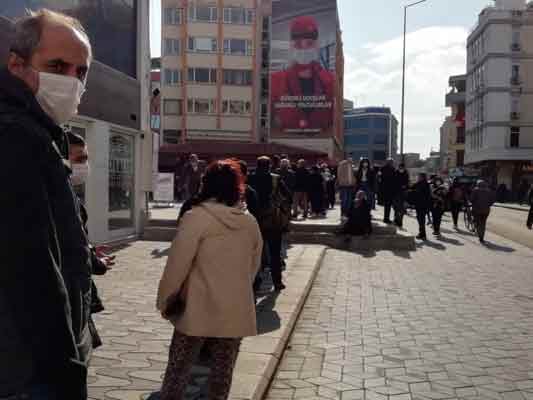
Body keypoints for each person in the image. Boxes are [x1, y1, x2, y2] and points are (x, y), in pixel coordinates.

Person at [0, 9, 94, 399]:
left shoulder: (42, 131)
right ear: (17, 65)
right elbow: (31, 264)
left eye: (80, 71)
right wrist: (64, 365)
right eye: (56, 66)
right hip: (29, 367)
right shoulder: (14, 134)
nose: (70, 81)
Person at [157, 160, 263, 400]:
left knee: (178, 371)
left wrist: (166, 300)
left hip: (196, 305)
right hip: (235, 307)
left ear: (206, 184)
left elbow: (177, 265)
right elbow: (254, 265)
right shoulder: (249, 221)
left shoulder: (196, 217)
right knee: (222, 376)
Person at [67, 131, 115, 349]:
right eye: (79, 159)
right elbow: (70, 246)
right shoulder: (60, 196)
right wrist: (96, 262)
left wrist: (91, 249)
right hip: (66, 295)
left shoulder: (68, 192)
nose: (84, 165)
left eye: (86, 159)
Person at [271, 16, 335, 134]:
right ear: (290, 46)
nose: (304, 48)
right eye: (298, 44)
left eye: (309, 43)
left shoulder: (331, 81)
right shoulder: (275, 81)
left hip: (321, 148)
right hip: (285, 148)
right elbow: (269, 124)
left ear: (317, 45)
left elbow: (334, 123)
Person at [249, 156, 291, 291]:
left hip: (254, 221)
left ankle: (255, 283)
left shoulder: (250, 178)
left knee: (255, 254)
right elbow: (288, 195)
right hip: (272, 220)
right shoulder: (275, 178)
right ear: (269, 166)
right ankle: (277, 282)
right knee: (274, 252)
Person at [411, 173, 432, 240]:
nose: (418, 177)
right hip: (419, 205)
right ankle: (422, 234)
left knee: (421, 219)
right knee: (420, 219)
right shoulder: (419, 184)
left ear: (422, 177)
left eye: (419, 177)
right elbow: (411, 187)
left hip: (422, 205)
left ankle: (422, 234)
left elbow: (427, 195)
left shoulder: (425, 185)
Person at [380, 158, 398, 223]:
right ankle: (386, 218)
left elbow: (380, 179)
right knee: (389, 205)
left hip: (385, 190)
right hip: (390, 190)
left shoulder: (382, 169)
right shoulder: (393, 169)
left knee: (387, 206)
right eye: (391, 162)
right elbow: (395, 180)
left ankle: (386, 218)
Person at [393, 163, 409, 228]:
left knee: (401, 208)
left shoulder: (406, 173)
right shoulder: (396, 172)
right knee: (396, 208)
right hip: (396, 192)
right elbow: (393, 182)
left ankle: (400, 221)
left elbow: (407, 182)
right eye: (400, 168)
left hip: (403, 193)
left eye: (402, 168)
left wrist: (405, 186)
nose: (401, 169)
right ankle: (396, 219)